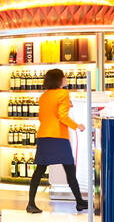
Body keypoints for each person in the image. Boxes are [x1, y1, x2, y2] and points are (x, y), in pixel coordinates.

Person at [28, 67, 88, 214]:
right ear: (59, 79)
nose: (66, 79)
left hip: (43, 135)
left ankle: (31, 204)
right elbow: (62, 116)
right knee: (69, 170)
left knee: (40, 170)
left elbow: (44, 116)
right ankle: (79, 202)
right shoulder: (63, 93)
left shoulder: (44, 96)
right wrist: (77, 126)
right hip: (58, 136)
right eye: (64, 77)